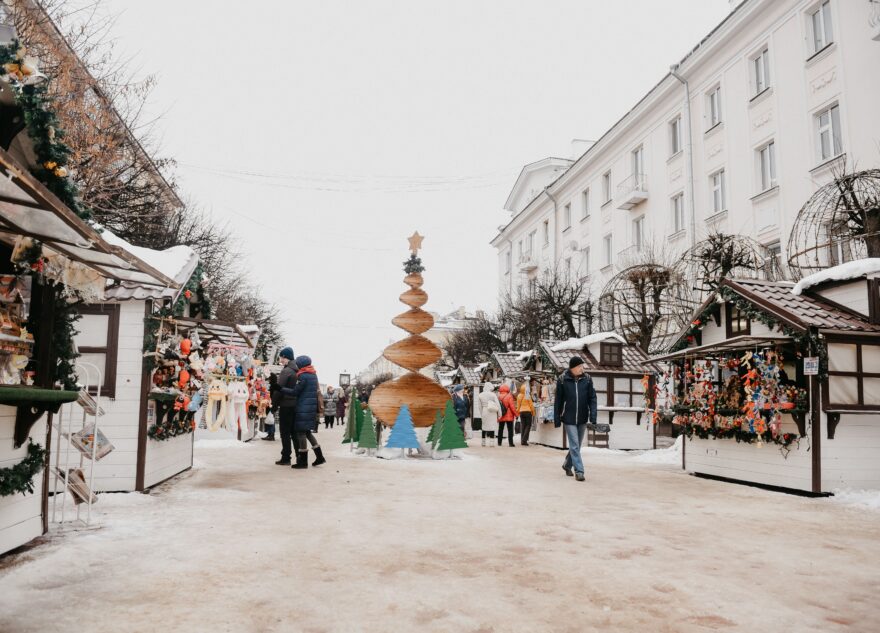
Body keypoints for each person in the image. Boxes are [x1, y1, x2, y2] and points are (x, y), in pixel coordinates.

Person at [554, 356, 598, 482]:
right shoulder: (563, 379)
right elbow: (559, 401)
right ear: (572, 368)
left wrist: (593, 417)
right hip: (568, 418)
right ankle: (579, 471)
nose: (582, 369)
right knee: (574, 445)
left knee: (576, 446)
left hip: (583, 418)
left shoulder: (587, 379)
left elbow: (592, 398)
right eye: (579, 367)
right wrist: (557, 418)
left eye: (582, 366)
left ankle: (567, 465)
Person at [282, 355, 325, 469]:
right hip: (310, 408)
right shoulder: (313, 374)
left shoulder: (303, 375)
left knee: (301, 433)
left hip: (303, 408)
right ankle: (319, 457)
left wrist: (281, 388)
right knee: (307, 432)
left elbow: (296, 392)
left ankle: (303, 462)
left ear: (301, 364)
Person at [274, 347, 297, 464]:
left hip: (286, 404)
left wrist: (273, 405)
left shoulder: (286, 371)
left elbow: (279, 390)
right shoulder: (296, 369)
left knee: (285, 432)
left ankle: (286, 457)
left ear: (285, 357)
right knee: (293, 432)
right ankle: (299, 456)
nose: (280, 360)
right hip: (294, 405)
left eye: (281, 357)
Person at [477, 382, 500, 447]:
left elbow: (479, 406)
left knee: (484, 426)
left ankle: (483, 442)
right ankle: (492, 443)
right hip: (492, 412)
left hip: (484, 411)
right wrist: (499, 414)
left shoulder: (480, 395)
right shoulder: (493, 395)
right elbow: (498, 405)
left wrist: (482, 413)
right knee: (492, 427)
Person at [517, 382, 536, 446]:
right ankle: (524, 440)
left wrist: (517, 412)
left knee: (523, 426)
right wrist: (533, 413)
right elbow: (531, 405)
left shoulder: (519, 396)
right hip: (528, 412)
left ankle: (522, 440)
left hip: (521, 412)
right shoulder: (527, 395)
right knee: (528, 425)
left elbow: (518, 405)